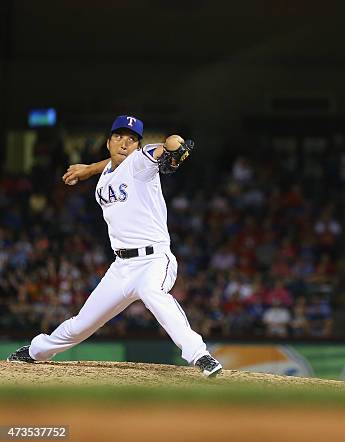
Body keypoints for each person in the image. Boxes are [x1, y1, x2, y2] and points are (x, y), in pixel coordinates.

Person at [7, 115, 222, 377]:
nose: (124, 143)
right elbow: (111, 164)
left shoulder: (141, 161)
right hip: (121, 267)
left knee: (154, 294)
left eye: (131, 139)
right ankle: (35, 351)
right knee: (81, 324)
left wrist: (172, 145)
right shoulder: (107, 170)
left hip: (153, 260)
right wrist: (88, 169)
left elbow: (160, 149)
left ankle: (201, 356)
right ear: (108, 141)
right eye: (119, 137)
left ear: (137, 145)